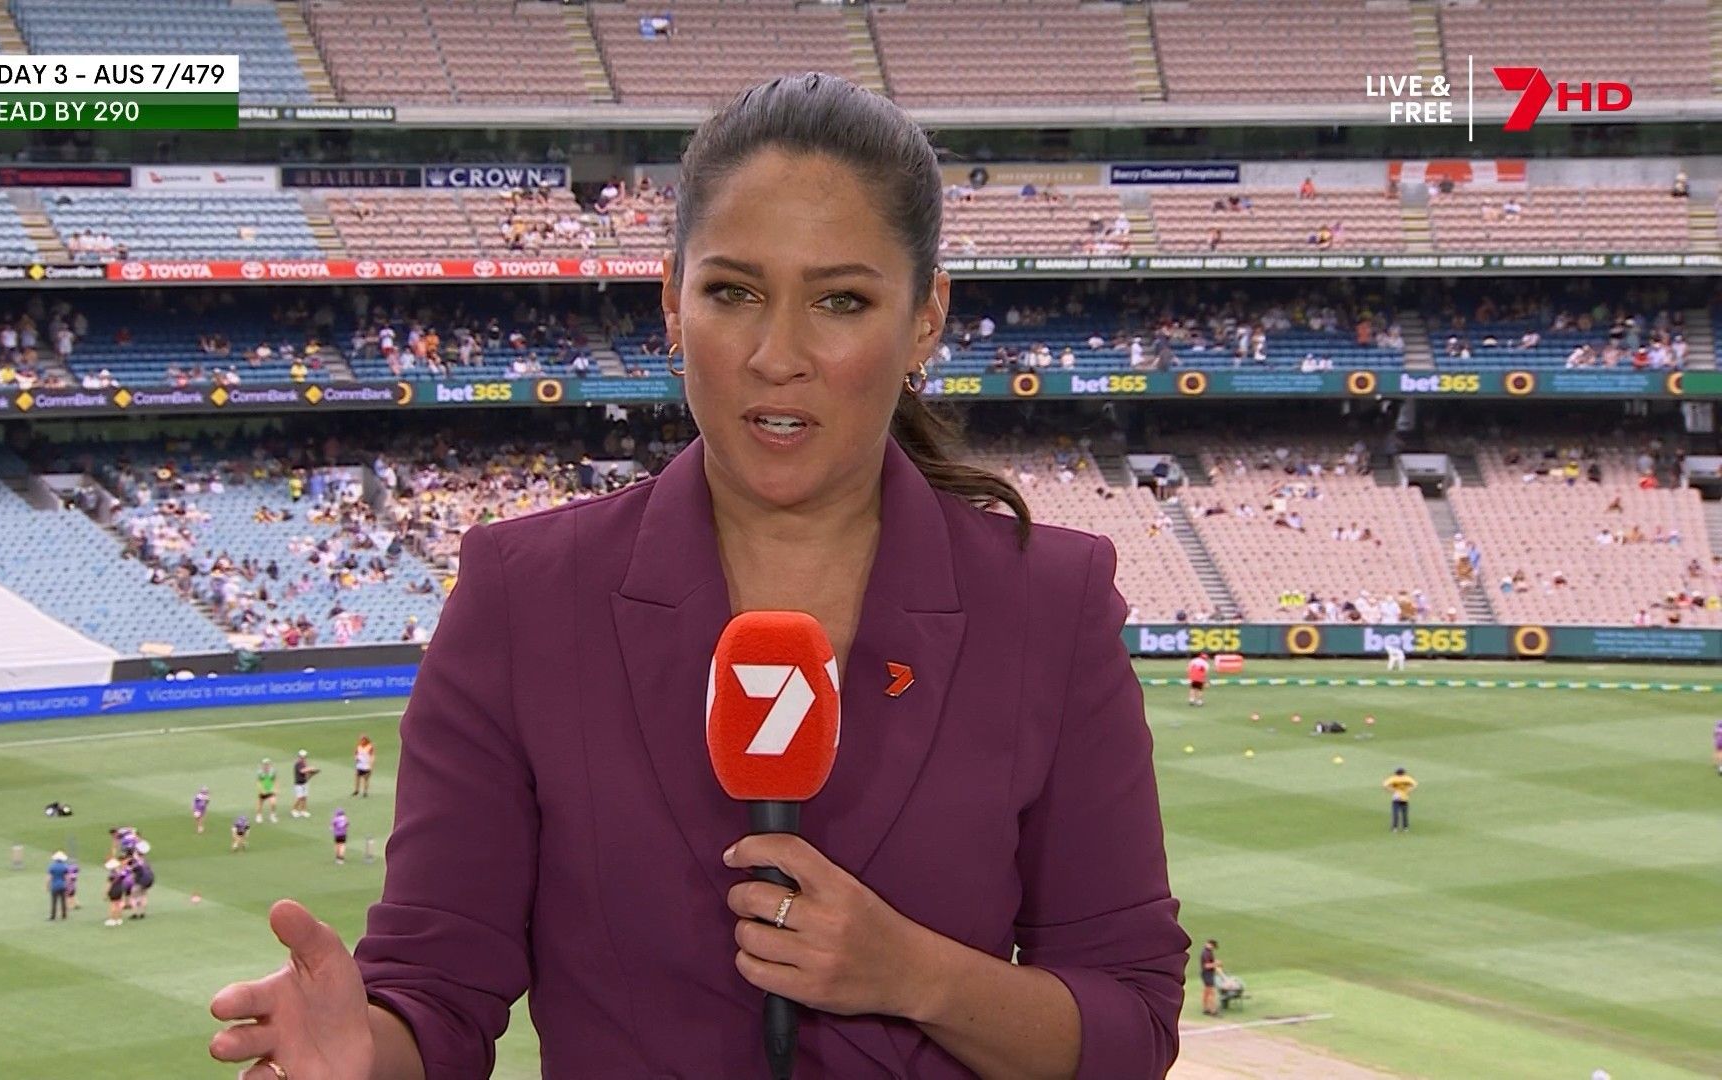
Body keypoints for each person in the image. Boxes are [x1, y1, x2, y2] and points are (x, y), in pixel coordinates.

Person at [209, 73, 1188, 1080]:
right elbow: (436, 994)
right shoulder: (522, 596)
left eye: (842, 301)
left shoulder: (1050, 605)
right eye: (733, 293)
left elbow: (1131, 1025)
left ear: (926, 317)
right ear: (672, 301)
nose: (777, 355)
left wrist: (915, 974)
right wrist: (362, 1051)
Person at [1385, 767, 1417, 832]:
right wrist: (1409, 790)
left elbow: (1385, 785)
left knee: (1395, 813)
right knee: (1404, 814)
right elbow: (1414, 784)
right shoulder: (1407, 778)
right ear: (1403, 772)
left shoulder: (1393, 778)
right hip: (1405, 798)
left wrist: (1391, 790)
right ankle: (1405, 827)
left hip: (1396, 797)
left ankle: (1395, 828)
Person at [290, 750, 318, 819]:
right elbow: (302, 771)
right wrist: (311, 768)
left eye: (304, 757)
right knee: (299, 798)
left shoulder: (304, 764)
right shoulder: (298, 764)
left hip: (305, 783)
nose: (303, 758)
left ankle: (303, 811)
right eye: (302, 757)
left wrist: (313, 773)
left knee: (304, 797)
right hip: (298, 784)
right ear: (299, 756)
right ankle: (294, 810)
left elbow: (307, 776)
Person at [1198, 939, 1221, 1016]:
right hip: (1207, 974)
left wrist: (1215, 963)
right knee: (1212, 992)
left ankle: (1206, 1008)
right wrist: (1216, 964)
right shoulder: (1206, 953)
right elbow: (1206, 965)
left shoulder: (1207, 952)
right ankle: (1213, 1010)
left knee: (1206, 992)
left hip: (1206, 974)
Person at [48, 851, 71, 921]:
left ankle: (53, 916)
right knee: (63, 901)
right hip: (62, 886)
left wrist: (47, 886)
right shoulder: (65, 866)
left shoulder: (52, 866)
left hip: (54, 886)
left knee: (54, 901)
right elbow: (67, 877)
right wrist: (68, 886)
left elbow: (49, 877)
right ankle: (64, 915)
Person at [256, 758, 279, 824]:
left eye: (268, 764)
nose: (266, 766)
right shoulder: (260, 772)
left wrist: (276, 789)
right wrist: (261, 789)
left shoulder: (273, 771)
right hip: (263, 791)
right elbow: (258, 782)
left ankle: (272, 815)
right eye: (265, 764)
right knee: (260, 804)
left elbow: (275, 780)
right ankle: (259, 815)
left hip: (271, 790)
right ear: (263, 765)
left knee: (273, 803)